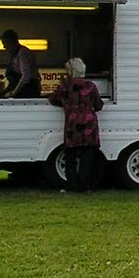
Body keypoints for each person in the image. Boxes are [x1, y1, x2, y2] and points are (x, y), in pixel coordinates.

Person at [47, 57, 104, 192]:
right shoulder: (91, 86)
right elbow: (98, 104)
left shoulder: (65, 87)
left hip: (73, 124)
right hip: (89, 124)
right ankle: (85, 186)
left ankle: (72, 185)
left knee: (70, 156)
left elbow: (53, 100)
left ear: (70, 71)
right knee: (87, 156)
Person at [0, 29, 42, 98]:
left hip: (28, 92)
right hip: (20, 93)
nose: (4, 47)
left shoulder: (23, 53)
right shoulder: (15, 55)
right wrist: (5, 91)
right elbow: (14, 82)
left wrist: (14, 92)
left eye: (5, 44)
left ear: (10, 42)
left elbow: (26, 76)